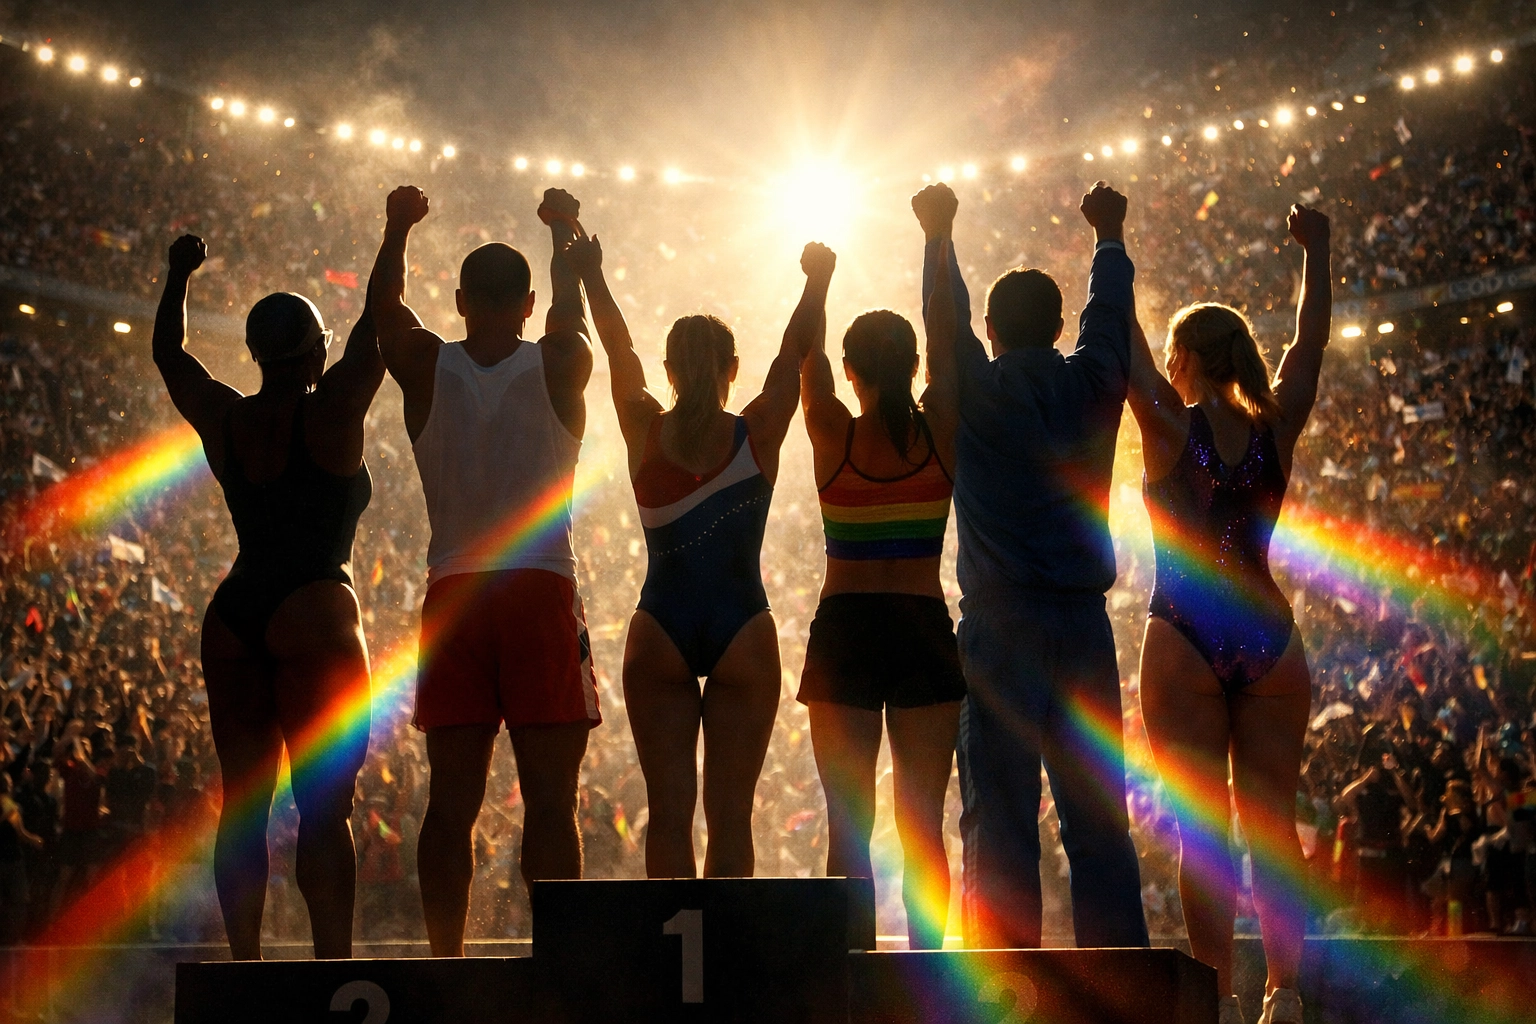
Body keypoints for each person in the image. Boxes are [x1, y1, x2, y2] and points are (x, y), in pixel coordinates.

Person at [914, 180, 1149, 950]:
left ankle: (1004, 979)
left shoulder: (976, 390)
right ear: (1058, 328)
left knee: (1000, 815)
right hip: (1083, 625)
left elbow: (941, 327)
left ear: (991, 328)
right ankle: (1118, 984)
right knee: (1097, 819)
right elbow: (1110, 318)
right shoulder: (1093, 385)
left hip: (999, 626)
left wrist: (939, 236)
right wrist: (1107, 235)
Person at [369, 185, 599, 954]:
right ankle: (559, 964)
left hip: (456, 590)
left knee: (451, 802)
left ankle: (447, 960)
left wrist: (398, 228)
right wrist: (565, 231)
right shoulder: (560, 360)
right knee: (551, 803)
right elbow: (572, 319)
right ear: (527, 304)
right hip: (539, 586)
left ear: (461, 299)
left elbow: (382, 315)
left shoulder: (429, 366)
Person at [1124, 204, 1331, 1024]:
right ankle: (1286, 993)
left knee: (1202, 839)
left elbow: (1125, 349)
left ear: (1185, 357)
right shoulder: (1275, 425)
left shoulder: (1170, 424)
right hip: (1271, 636)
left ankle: (1212, 999)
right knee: (1273, 830)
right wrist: (1318, 251)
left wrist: (1113, 245)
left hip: (1183, 633)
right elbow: (1309, 346)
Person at [151, 232, 383, 959]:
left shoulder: (225, 416)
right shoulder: (333, 410)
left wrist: (177, 274)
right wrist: (396, 231)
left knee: (241, 808)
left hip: (236, 612)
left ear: (256, 353)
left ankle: (246, 967)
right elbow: (376, 330)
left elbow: (170, 355)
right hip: (315, 606)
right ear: (316, 352)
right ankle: (332, 971)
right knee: (326, 811)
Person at [565, 229, 822, 878]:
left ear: (670, 371)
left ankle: (667, 976)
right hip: (743, 626)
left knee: (669, 812)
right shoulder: (759, 429)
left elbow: (617, 347)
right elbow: (795, 352)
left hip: (661, 628)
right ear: (732, 369)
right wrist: (817, 280)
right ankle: (727, 970)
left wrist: (593, 274)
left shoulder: (642, 424)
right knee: (731, 815)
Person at [794, 244, 965, 947]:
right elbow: (948, 339)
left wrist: (818, 279)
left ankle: (851, 976)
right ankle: (927, 975)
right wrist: (937, 237)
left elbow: (806, 354)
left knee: (849, 823)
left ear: (852, 371)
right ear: (915, 367)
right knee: (923, 820)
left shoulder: (833, 431)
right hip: (922, 626)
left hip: (847, 631)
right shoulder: (940, 431)